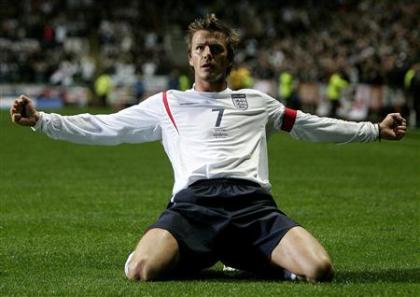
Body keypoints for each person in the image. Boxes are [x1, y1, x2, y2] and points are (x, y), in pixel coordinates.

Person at [10, 14, 407, 283]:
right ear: (189, 57)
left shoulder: (257, 102)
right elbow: (105, 127)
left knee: (320, 269)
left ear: (229, 59)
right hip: (193, 206)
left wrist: (374, 130)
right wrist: (43, 120)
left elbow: (312, 126)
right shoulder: (168, 103)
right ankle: (221, 253)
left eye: (216, 49)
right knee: (142, 270)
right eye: (201, 48)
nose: (207, 54)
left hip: (253, 207)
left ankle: (237, 255)